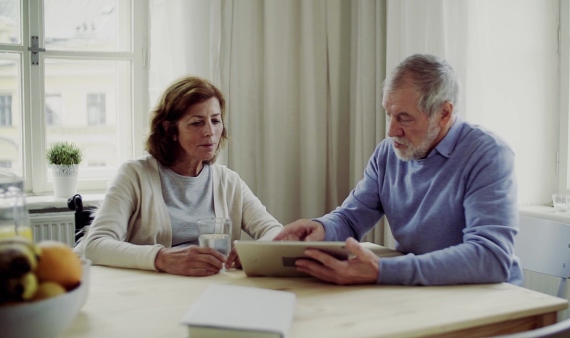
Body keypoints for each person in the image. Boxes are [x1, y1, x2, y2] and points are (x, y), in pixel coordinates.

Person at [274, 54, 523, 286]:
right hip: (423, 290)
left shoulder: (489, 154)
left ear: (444, 114)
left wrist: (384, 271)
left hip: (489, 297)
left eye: (404, 118)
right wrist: (322, 228)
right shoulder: (388, 153)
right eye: (388, 115)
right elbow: (351, 219)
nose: (391, 131)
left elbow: (491, 258)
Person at [75, 76, 283, 276]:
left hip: (214, 288)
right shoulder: (134, 175)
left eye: (215, 120)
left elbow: (274, 230)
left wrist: (258, 248)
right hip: (152, 293)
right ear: (170, 130)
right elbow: (96, 245)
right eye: (197, 123)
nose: (210, 132)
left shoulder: (228, 181)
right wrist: (162, 258)